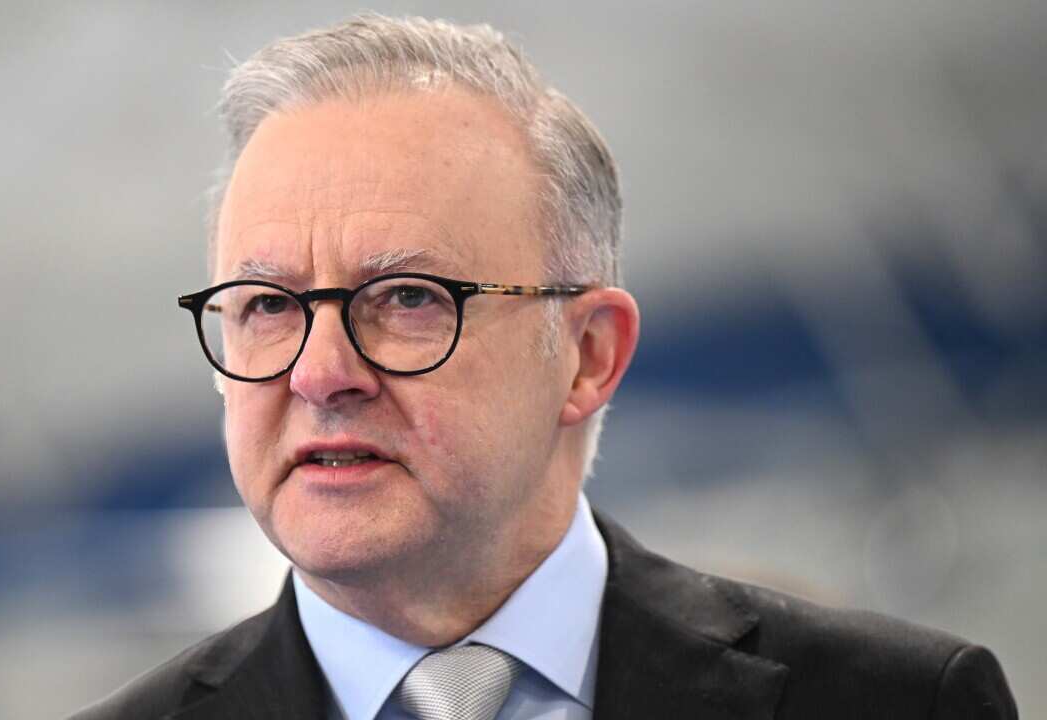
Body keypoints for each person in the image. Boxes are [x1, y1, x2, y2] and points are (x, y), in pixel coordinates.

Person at [72, 14, 1017, 720]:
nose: (321, 373)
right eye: (268, 307)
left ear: (587, 356)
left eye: (406, 299)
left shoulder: (894, 702)